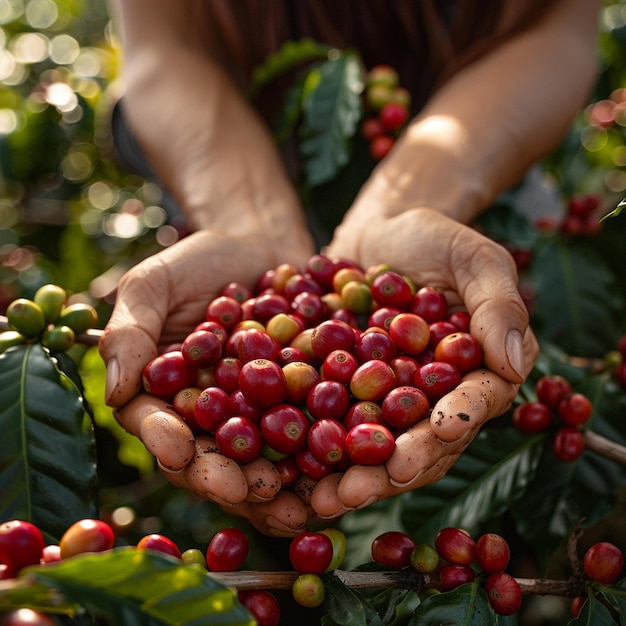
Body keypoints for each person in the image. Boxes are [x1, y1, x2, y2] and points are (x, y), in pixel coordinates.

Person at [99, 0, 600, 536]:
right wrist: (246, 216)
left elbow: (557, 30)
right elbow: (163, 48)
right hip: (227, 165)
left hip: (484, 182)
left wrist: (404, 202)